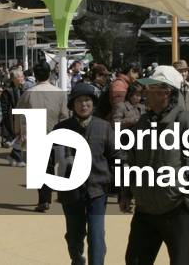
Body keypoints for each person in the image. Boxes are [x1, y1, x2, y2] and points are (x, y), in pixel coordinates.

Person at [119, 65, 189, 265]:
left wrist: (188, 196)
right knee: (134, 261)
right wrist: (126, 192)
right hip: (144, 210)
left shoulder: (188, 123)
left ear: (166, 92)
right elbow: (132, 161)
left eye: (151, 87)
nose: (145, 92)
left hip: (176, 211)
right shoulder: (142, 123)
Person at [53, 83, 117, 265]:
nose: (84, 105)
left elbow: (116, 156)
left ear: (93, 103)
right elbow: (49, 160)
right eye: (79, 101)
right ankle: (76, 258)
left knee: (97, 235)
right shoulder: (61, 128)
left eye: (88, 100)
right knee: (74, 234)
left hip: (97, 190)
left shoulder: (104, 127)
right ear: (72, 104)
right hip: (71, 192)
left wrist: (119, 187)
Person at [15, 60, 69, 213]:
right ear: (49, 74)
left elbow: (19, 115)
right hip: (54, 132)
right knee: (50, 165)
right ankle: (49, 197)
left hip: (34, 133)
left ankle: (44, 199)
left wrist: (19, 132)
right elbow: (64, 115)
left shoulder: (28, 93)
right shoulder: (59, 93)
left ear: (35, 75)